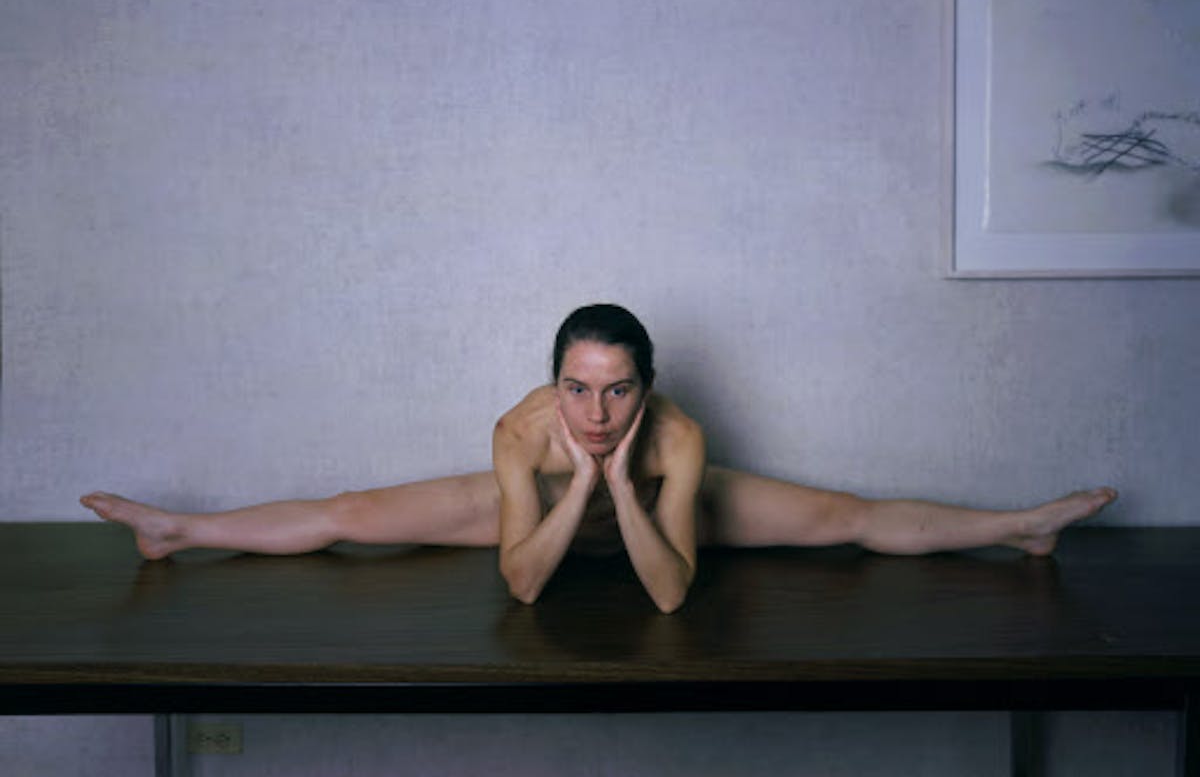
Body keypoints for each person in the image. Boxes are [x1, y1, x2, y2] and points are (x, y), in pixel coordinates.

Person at [82, 304, 1117, 614]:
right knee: (354, 512)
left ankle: (1020, 524)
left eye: (618, 388)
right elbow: (524, 584)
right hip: (532, 519)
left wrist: (620, 479)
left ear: (647, 386)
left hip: (658, 520)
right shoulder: (520, 432)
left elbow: (667, 595)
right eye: (576, 387)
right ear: (553, 384)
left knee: (845, 514)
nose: (596, 409)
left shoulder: (677, 438)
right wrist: (577, 475)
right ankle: (179, 528)